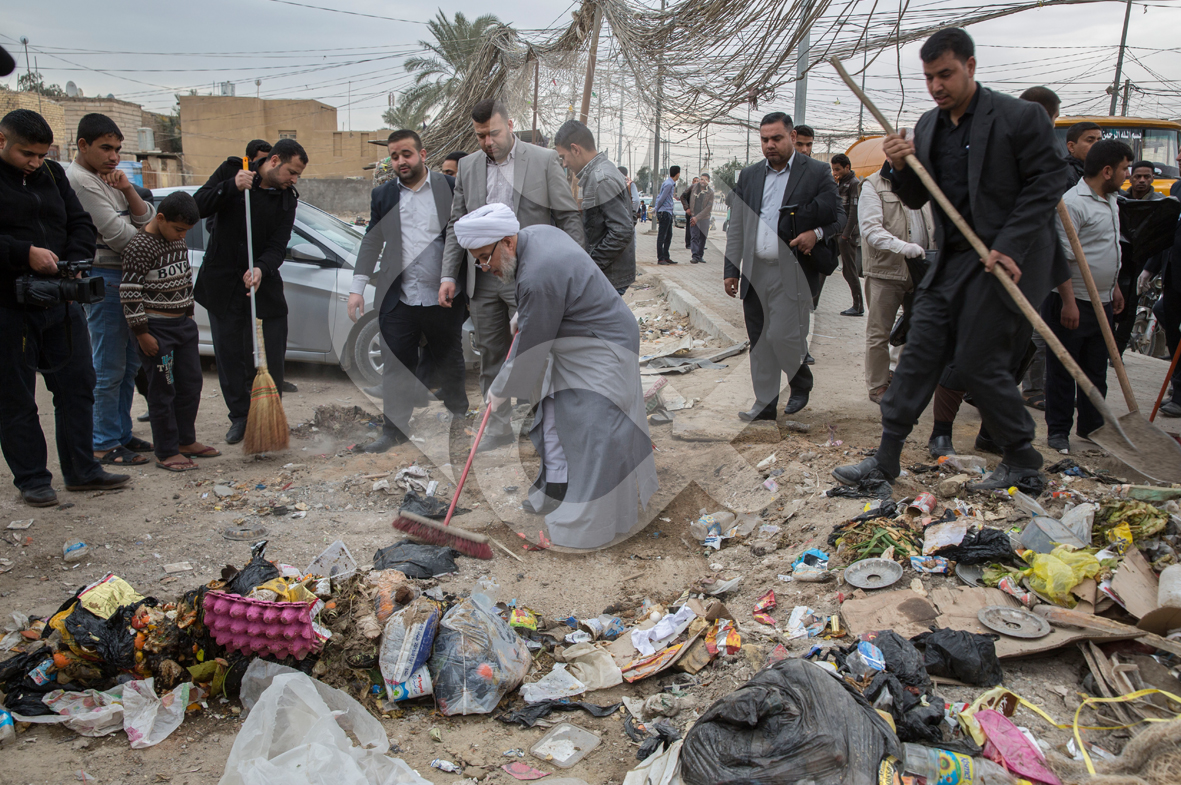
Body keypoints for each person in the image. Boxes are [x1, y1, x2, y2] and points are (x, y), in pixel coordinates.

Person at [832, 28, 1069, 492]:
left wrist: (1010, 244)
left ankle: (1021, 457)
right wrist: (900, 165)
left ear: (971, 67)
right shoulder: (928, 126)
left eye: (946, 74)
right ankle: (885, 460)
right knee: (920, 349)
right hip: (953, 259)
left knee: (978, 359)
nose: (937, 86)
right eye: (929, 78)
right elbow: (918, 195)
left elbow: (1048, 183)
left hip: (1005, 258)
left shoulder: (1020, 118)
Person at [455, 204, 657, 548]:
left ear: (507, 242)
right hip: (575, 341)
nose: (484, 268)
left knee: (596, 430)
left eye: (485, 258)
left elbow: (532, 347)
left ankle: (588, 526)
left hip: (603, 347)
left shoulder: (537, 272)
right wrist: (525, 312)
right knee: (554, 417)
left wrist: (500, 389)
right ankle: (556, 491)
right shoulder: (535, 236)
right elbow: (551, 295)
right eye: (477, 261)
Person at [0, 109, 130, 506]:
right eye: (27, 154)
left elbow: (80, 223)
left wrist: (74, 264)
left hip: (59, 297)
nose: (35, 162)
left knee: (78, 384)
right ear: (1, 141)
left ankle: (82, 470)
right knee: (16, 397)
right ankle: (34, 480)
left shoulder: (53, 175)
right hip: (9, 305)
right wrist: (24, 253)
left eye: (42, 154)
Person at [439, 98, 584, 452]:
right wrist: (448, 275)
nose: (489, 142)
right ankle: (498, 427)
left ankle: (539, 426)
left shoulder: (543, 160)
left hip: (528, 275)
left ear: (511, 124)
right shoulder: (469, 167)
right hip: (483, 279)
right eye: (481, 136)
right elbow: (457, 224)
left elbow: (567, 217)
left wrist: (574, 267)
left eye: (494, 133)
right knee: (492, 352)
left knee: (533, 351)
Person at [349, 130, 467, 452]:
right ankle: (394, 431)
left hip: (443, 296)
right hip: (399, 295)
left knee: (449, 359)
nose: (400, 161)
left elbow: (463, 235)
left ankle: (460, 417)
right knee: (396, 363)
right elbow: (372, 241)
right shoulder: (383, 196)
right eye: (394, 156)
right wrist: (357, 288)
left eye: (406, 154)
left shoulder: (450, 188)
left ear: (423, 154)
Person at [724, 111, 844, 422]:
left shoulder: (816, 172)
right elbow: (737, 225)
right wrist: (730, 270)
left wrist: (815, 234)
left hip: (792, 271)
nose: (770, 145)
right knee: (760, 340)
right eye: (764, 139)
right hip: (755, 271)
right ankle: (764, 405)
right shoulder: (749, 176)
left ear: (791, 137)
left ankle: (800, 380)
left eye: (776, 138)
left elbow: (838, 218)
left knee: (781, 335)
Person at [194, 138, 306, 444]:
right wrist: (230, 186)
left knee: (271, 355)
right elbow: (197, 206)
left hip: (263, 284)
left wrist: (261, 268)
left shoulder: (287, 199)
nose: (293, 180)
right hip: (223, 283)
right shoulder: (233, 171)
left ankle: (269, 417)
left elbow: (278, 245)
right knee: (230, 356)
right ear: (274, 161)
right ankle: (241, 417)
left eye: (297, 175)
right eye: (291, 172)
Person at [65, 113, 156, 467]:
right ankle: (102, 441)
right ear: (83, 145)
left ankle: (119, 432)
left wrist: (128, 189)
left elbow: (145, 217)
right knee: (107, 365)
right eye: (105, 148)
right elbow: (119, 236)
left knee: (129, 363)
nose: (113, 156)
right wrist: (155, 246)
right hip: (106, 275)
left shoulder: (108, 180)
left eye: (117, 149)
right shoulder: (82, 181)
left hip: (127, 276)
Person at [120, 191, 219, 471]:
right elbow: (130, 293)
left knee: (191, 384)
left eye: (187, 231)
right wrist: (142, 333)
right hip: (156, 330)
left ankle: (185, 440)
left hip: (183, 326)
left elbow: (185, 275)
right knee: (163, 389)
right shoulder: (140, 246)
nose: (182, 236)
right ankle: (165, 451)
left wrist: (188, 312)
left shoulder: (176, 240)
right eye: (178, 229)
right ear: (160, 218)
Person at [1043, 139, 1131, 453]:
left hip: (1102, 300)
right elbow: (1060, 258)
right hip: (1071, 302)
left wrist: (1115, 286)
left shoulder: (1111, 200)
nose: (1127, 174)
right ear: (1107, 171)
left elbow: (1108, 249)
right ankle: (1058, 433)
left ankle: (1092, 428)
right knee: (1065, 370)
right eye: (1124, 169)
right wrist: (1068, 301)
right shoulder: (1072, 203)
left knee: (1095, 369)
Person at [859, 159, 936, 404]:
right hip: (886, 271)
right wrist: (902, 247)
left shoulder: (925, 181)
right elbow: (871, 229)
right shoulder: (874, 185)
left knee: (920, 330)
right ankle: (878, 386)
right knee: (879, 331)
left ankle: (904, 379)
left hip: (924, 269)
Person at [554, 120, 636, 295]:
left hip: (608, 277)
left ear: (576, 149)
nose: (564, 164)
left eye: (563, 157)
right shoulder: (603, 173)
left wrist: (590, 265)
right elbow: (630, 218)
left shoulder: (601, 179)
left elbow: (622, 231)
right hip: (611, 274)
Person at [831, 153, 864, 316]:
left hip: (847, 235)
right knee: (826, 265)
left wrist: (845, 235)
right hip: (837, 232)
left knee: (849, 270)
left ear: (847, 168)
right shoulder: (841, 183)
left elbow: (853, 212)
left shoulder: (854, 184)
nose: (835, 172)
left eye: (838, 169)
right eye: (833, 169)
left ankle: (858, 306)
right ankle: (813, 302)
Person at [654, 165, 680, 264]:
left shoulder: (670, 183)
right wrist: (656, 208)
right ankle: (660, 258)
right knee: (662, 236)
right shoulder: (669, 184)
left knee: (668, 235)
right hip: (664, 212)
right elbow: (662, 198)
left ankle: (666, 256)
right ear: (677, 174)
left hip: (668, 211)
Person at [689, 173, 714, 264]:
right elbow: (683, 196)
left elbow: (708, 208)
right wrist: (687, 209)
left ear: (708, 181)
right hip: (694, 216)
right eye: (701, 179)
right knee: (695, 236)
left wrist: (697, 217)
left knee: (703, 237)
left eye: (705, 179)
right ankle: (694, 256)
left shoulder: (710, 192)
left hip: (704, 217)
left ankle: (700, 256)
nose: (703, 181)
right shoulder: (694, 188)